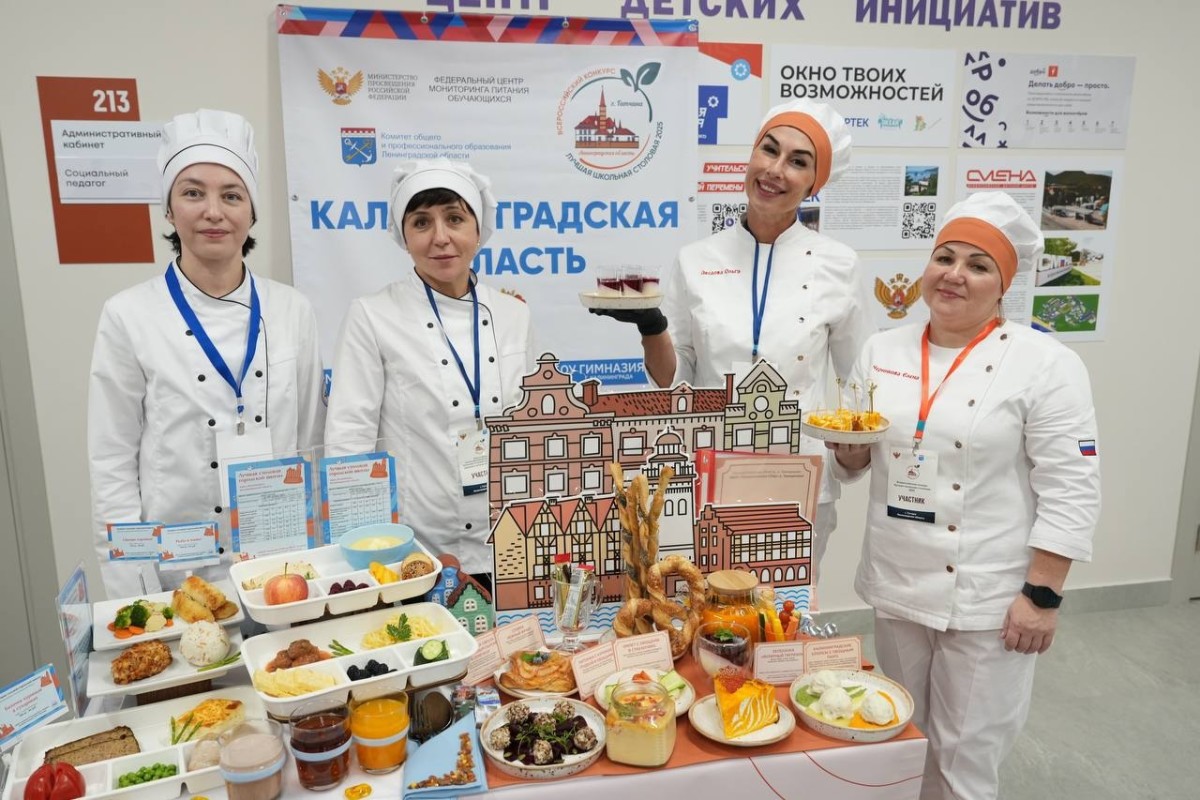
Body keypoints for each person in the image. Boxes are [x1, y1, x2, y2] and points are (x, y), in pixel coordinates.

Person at [829, 192, 1101, 800]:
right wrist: (846, 452)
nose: (954, 274)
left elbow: (1071, 487)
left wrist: (1042, 596)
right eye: (944, 257)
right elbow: (856, 457)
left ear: (1004, 286)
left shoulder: (1045, 363)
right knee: (903, 739)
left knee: (963, 761)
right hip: (898, 581)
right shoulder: (882, 351)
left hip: (988, 597)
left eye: (978, 265)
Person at [592, 99, 874, 574]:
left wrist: (851, 455)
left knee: (785, 609)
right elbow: (675, 380)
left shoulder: (839, 265)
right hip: (708, 475)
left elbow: (858, 383)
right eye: (769, 150)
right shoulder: (695, 260)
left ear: (814, 183)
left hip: (798, 478)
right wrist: (652, 327)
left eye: (798, 161)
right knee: (702, 605)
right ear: (752, 155)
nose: (776, 170)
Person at [88, 109, 326, 598]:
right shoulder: (128, 314)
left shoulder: (292, 309)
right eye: (193, 193)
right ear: (169, 210)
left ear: (251, 212)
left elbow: (311, 443)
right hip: (175, 574)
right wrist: (134, 592)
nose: (213, 212)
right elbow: (112, 462)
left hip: (281, 566)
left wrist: (318, 560)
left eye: (232, 195)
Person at [324, 159, 534, 586]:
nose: (440, 237)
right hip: (415, 551)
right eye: (421, 222)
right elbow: (349, 440)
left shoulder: (513, 314)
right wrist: (370, 556)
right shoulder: (372, 315)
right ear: (404, 236)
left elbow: (530, 428)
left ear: (479, 229)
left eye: (455, 218)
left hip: (511, 542)